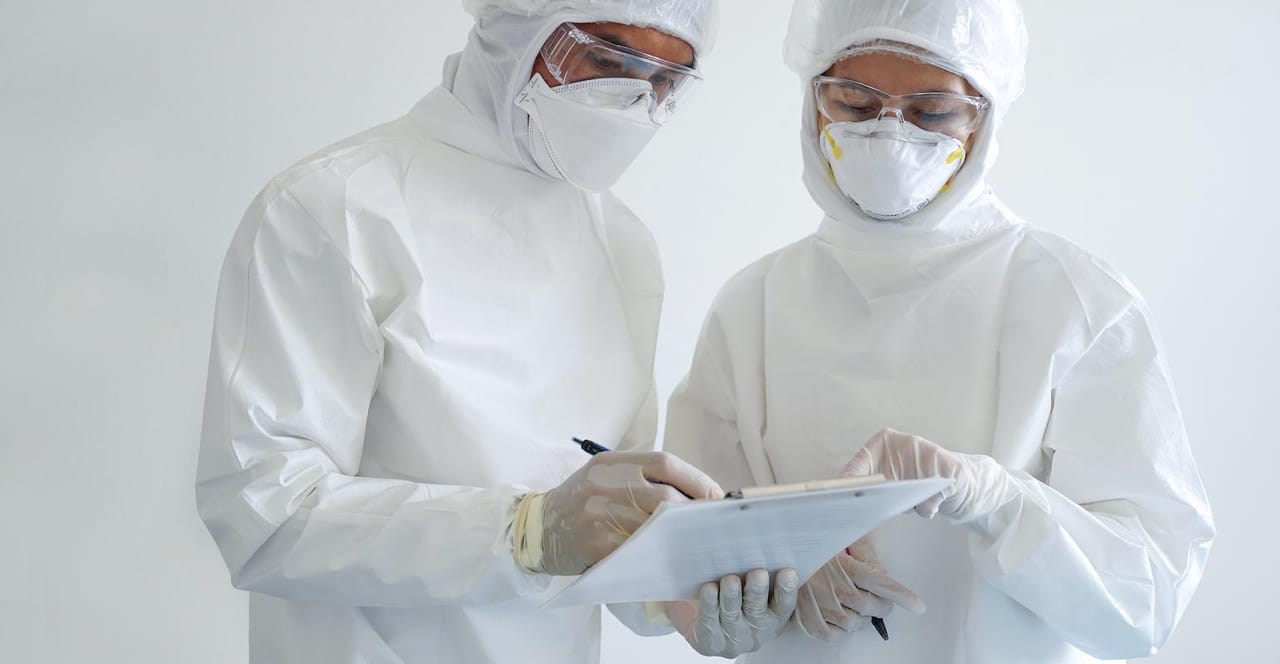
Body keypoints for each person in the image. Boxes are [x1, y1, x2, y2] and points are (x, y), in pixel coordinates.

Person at [195, 1, 796, 662]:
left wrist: (677, 600)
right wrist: (520, 531)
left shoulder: (622, 247)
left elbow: (605, 524)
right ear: (514, 26)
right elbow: (265, 514)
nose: (634, 101)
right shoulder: (334, 209)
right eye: (605, 60)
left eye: (665, 81)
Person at [663, 0, 1215, 662]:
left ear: (982, 117)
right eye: (857, 103)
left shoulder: (1075, 301)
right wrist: (764, 576)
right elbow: (686, 552)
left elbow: (1148, 600)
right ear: (815, 103)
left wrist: (994, 501)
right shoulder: (753, 304)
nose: (891, 134)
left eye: (931, 112)